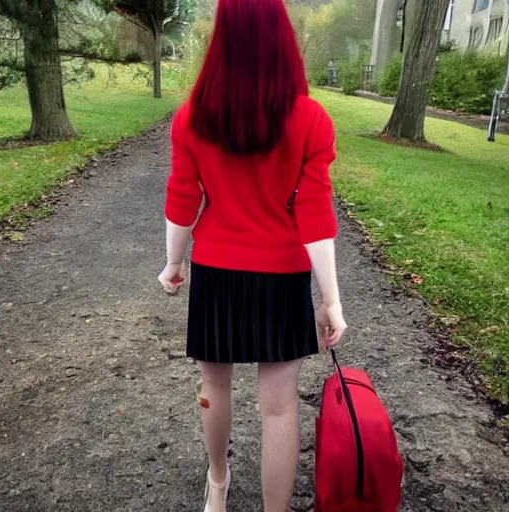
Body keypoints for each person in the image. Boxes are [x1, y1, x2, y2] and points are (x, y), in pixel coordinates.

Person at [158, 0, 347, 510]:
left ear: (222, 40)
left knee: (213, 386)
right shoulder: (311, 119)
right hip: (281, 275)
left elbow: (183, 201)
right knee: (281, 408)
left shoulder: (193, 117)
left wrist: (174, 264)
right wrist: (331, 300)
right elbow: (315, 219)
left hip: (217, 270)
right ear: (282, 40)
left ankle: (217, 484)